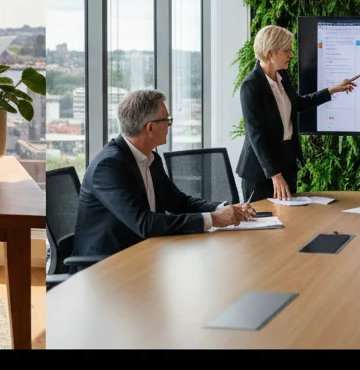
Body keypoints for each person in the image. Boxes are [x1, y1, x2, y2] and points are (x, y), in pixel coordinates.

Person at [70, 89, 257, 263]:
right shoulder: (109, 166)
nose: (169, 125)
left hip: (145, 252)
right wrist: (213, 219)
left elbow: (178, 202)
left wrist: (223, 208)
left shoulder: (151, 158)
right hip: (106, 265)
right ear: (150, 128)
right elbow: (145, 223)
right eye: (167, 120)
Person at [236, 25, 360, 202]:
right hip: (261, 173)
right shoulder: (250, 86)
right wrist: (275, 175)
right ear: (271, 53)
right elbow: (256, 136)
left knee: (290, 222)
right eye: (287, 50)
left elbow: (299, 103)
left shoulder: (282, 77)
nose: (291, 55)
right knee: (263, 225)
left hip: (286, 164)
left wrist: (333, 90)